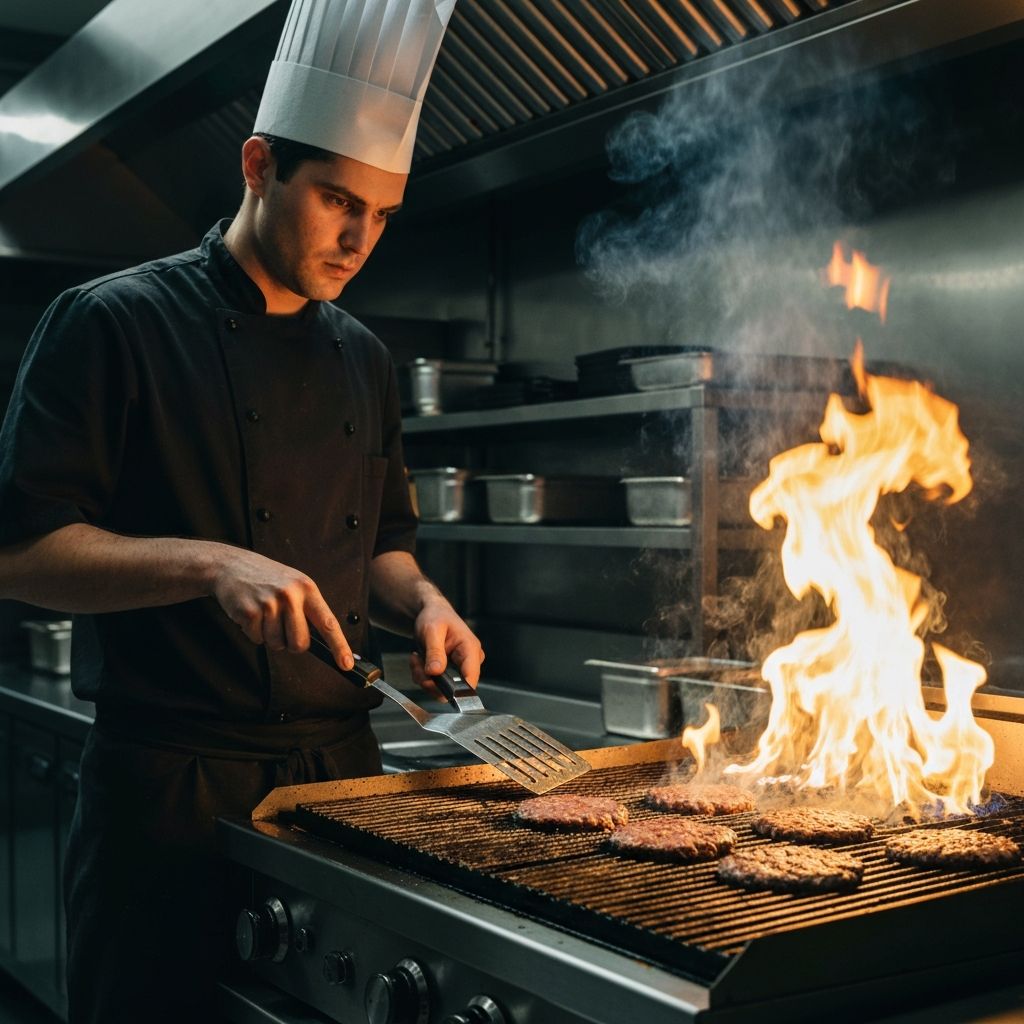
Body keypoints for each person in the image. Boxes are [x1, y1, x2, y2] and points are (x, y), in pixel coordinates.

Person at [0, 2, 474, 1020]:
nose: (360, 239)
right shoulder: (110, 323)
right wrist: (210, 564)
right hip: (170, 793)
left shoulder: (361, 356)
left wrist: (426, 605)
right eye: (339, 201)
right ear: (258, 165)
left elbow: (384, 548)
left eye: (382, 215)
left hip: (341, 781)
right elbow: (21, 551)